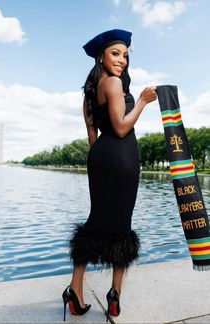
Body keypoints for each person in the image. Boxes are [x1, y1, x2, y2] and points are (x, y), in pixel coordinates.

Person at [62, 29, 157, 321]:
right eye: (116, 53)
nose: (122, 60)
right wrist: (142, 100)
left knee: (95, 221)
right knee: (122, 225)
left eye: (125, 55)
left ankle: (75, 289)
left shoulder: (88, 95)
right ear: (101, 56)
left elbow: (93, 136)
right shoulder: (115, 84)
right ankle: (115, 295)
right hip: (122, 158)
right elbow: (120, 128)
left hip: (101, 158)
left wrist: (101, 161)